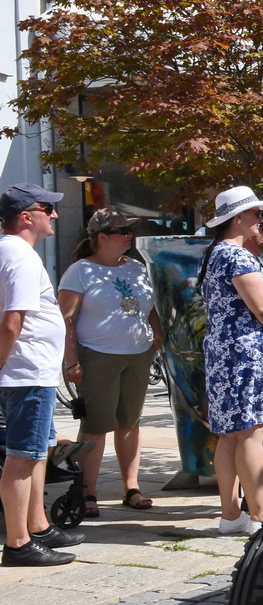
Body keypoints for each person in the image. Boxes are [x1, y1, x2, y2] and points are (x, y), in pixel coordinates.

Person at [199, 186, 263, 536]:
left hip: (225, 351)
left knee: (230, 436)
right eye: (257, 214)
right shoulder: (237, 256)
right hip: (247, 352)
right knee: (251, 435)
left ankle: (230, 515)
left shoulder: (215, 254)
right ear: (237, 218)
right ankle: (258, 516)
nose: (261, 221)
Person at [57, 206, 162, 518]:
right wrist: (71, 362)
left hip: (137, 354)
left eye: (130, 230)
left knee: (130, 422)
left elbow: (148, 306)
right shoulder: (80, 271)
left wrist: (157, 335)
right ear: (102, 237)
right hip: (97, 355)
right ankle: (87, 490)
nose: (129, 236)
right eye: (122, 231)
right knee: (96, 426)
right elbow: (67, 320)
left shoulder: (135, 267)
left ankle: (131, 486)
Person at [0, 184, 81, 566]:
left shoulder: (16, 252)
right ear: (25, 216)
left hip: (33, 371)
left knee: (37, 452)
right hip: (25, 372)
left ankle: (38, 525)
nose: (54, 214)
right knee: (22, 456)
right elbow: (12, 321)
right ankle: (18, 543)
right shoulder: (18, 255)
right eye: (46, 208)